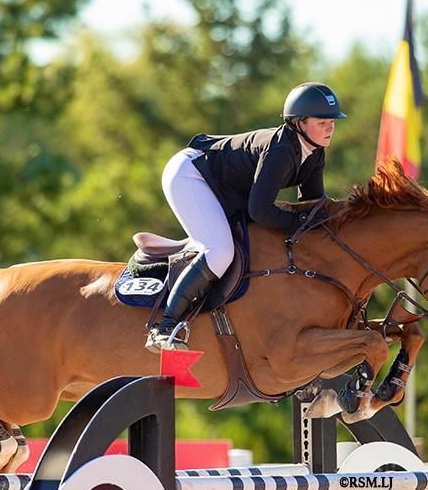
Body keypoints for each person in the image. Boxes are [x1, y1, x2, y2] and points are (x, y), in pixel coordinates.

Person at [145, 82, 347, 353]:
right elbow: (260, 210)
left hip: (223, 187)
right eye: (322, 122)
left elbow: (311, 207)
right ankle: (165, 327)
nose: (330, 128)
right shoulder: (281, 150)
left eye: (332, 122)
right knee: (219, 251)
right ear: (299, 123)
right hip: (190, 175)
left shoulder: (315, 153)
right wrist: (300, 223)